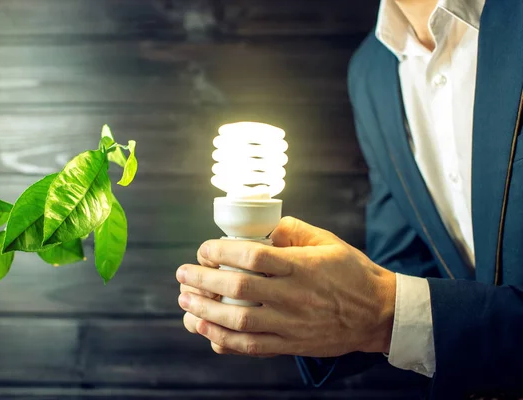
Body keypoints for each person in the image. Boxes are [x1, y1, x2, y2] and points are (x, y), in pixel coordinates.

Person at [176, 0, 523, 398]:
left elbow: (393, 303)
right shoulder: (372, 71)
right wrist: (291, 301)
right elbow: (410, 269)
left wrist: (385, 313)